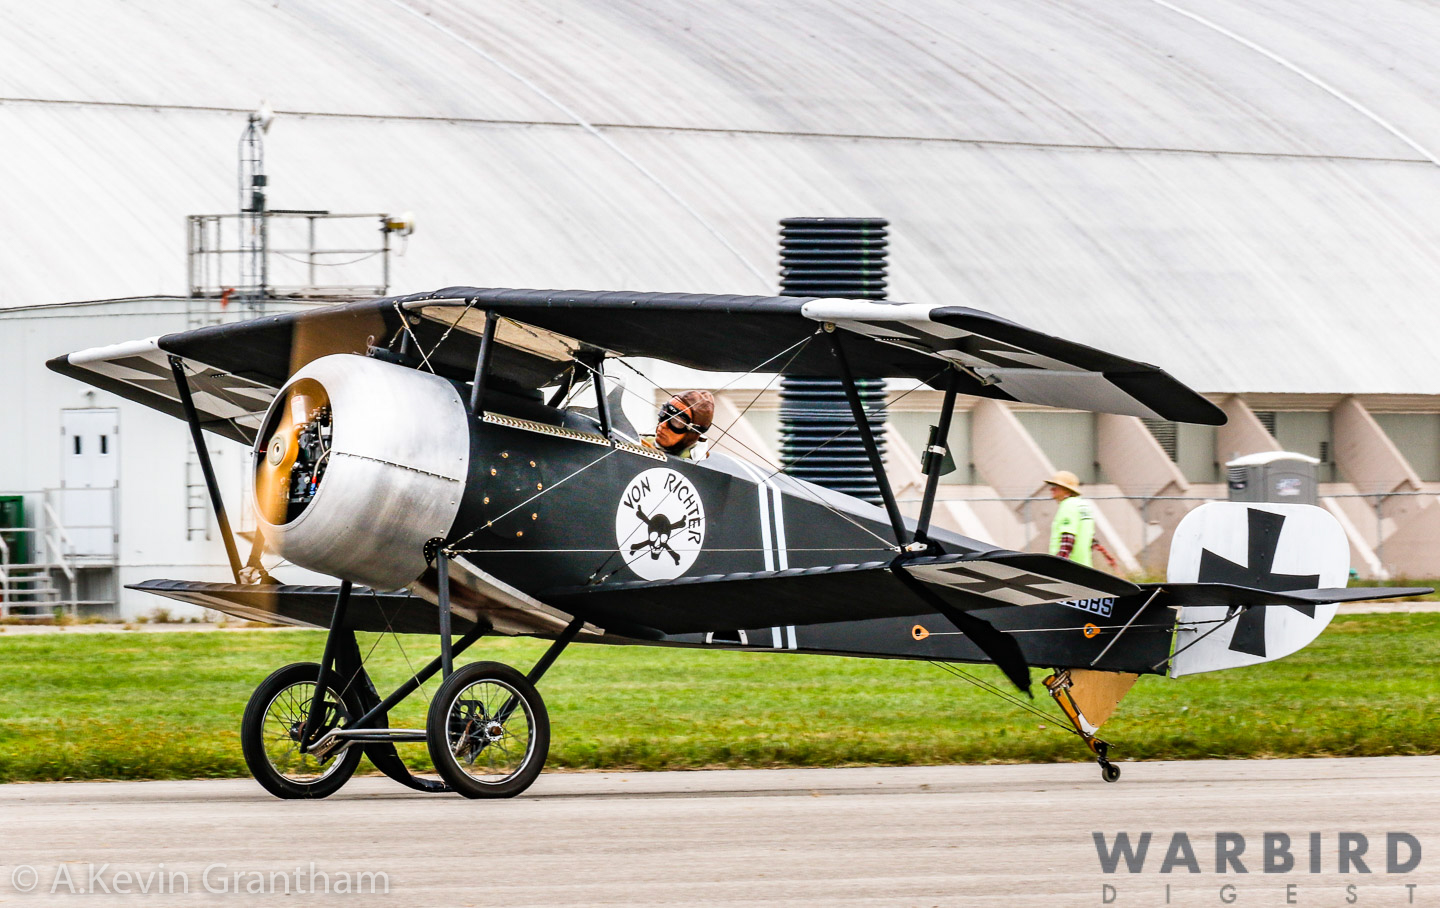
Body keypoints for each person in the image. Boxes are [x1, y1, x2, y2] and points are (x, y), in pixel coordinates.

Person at [1045, 470, 1117, 569]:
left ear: (1066, 489)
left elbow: (1068, 537)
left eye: (1055, 486)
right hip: (1084, 567)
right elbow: (1088, 537)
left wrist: (1059, 565)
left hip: (1069, 568)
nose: (1051, 489)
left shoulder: (1068, 505)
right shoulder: (1083, 505)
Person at [642, 390, 714, 460]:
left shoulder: (696, 464)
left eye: (677, 421)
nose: (663, 425)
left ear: (693, 431)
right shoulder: (642, 442)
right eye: (664, 413)